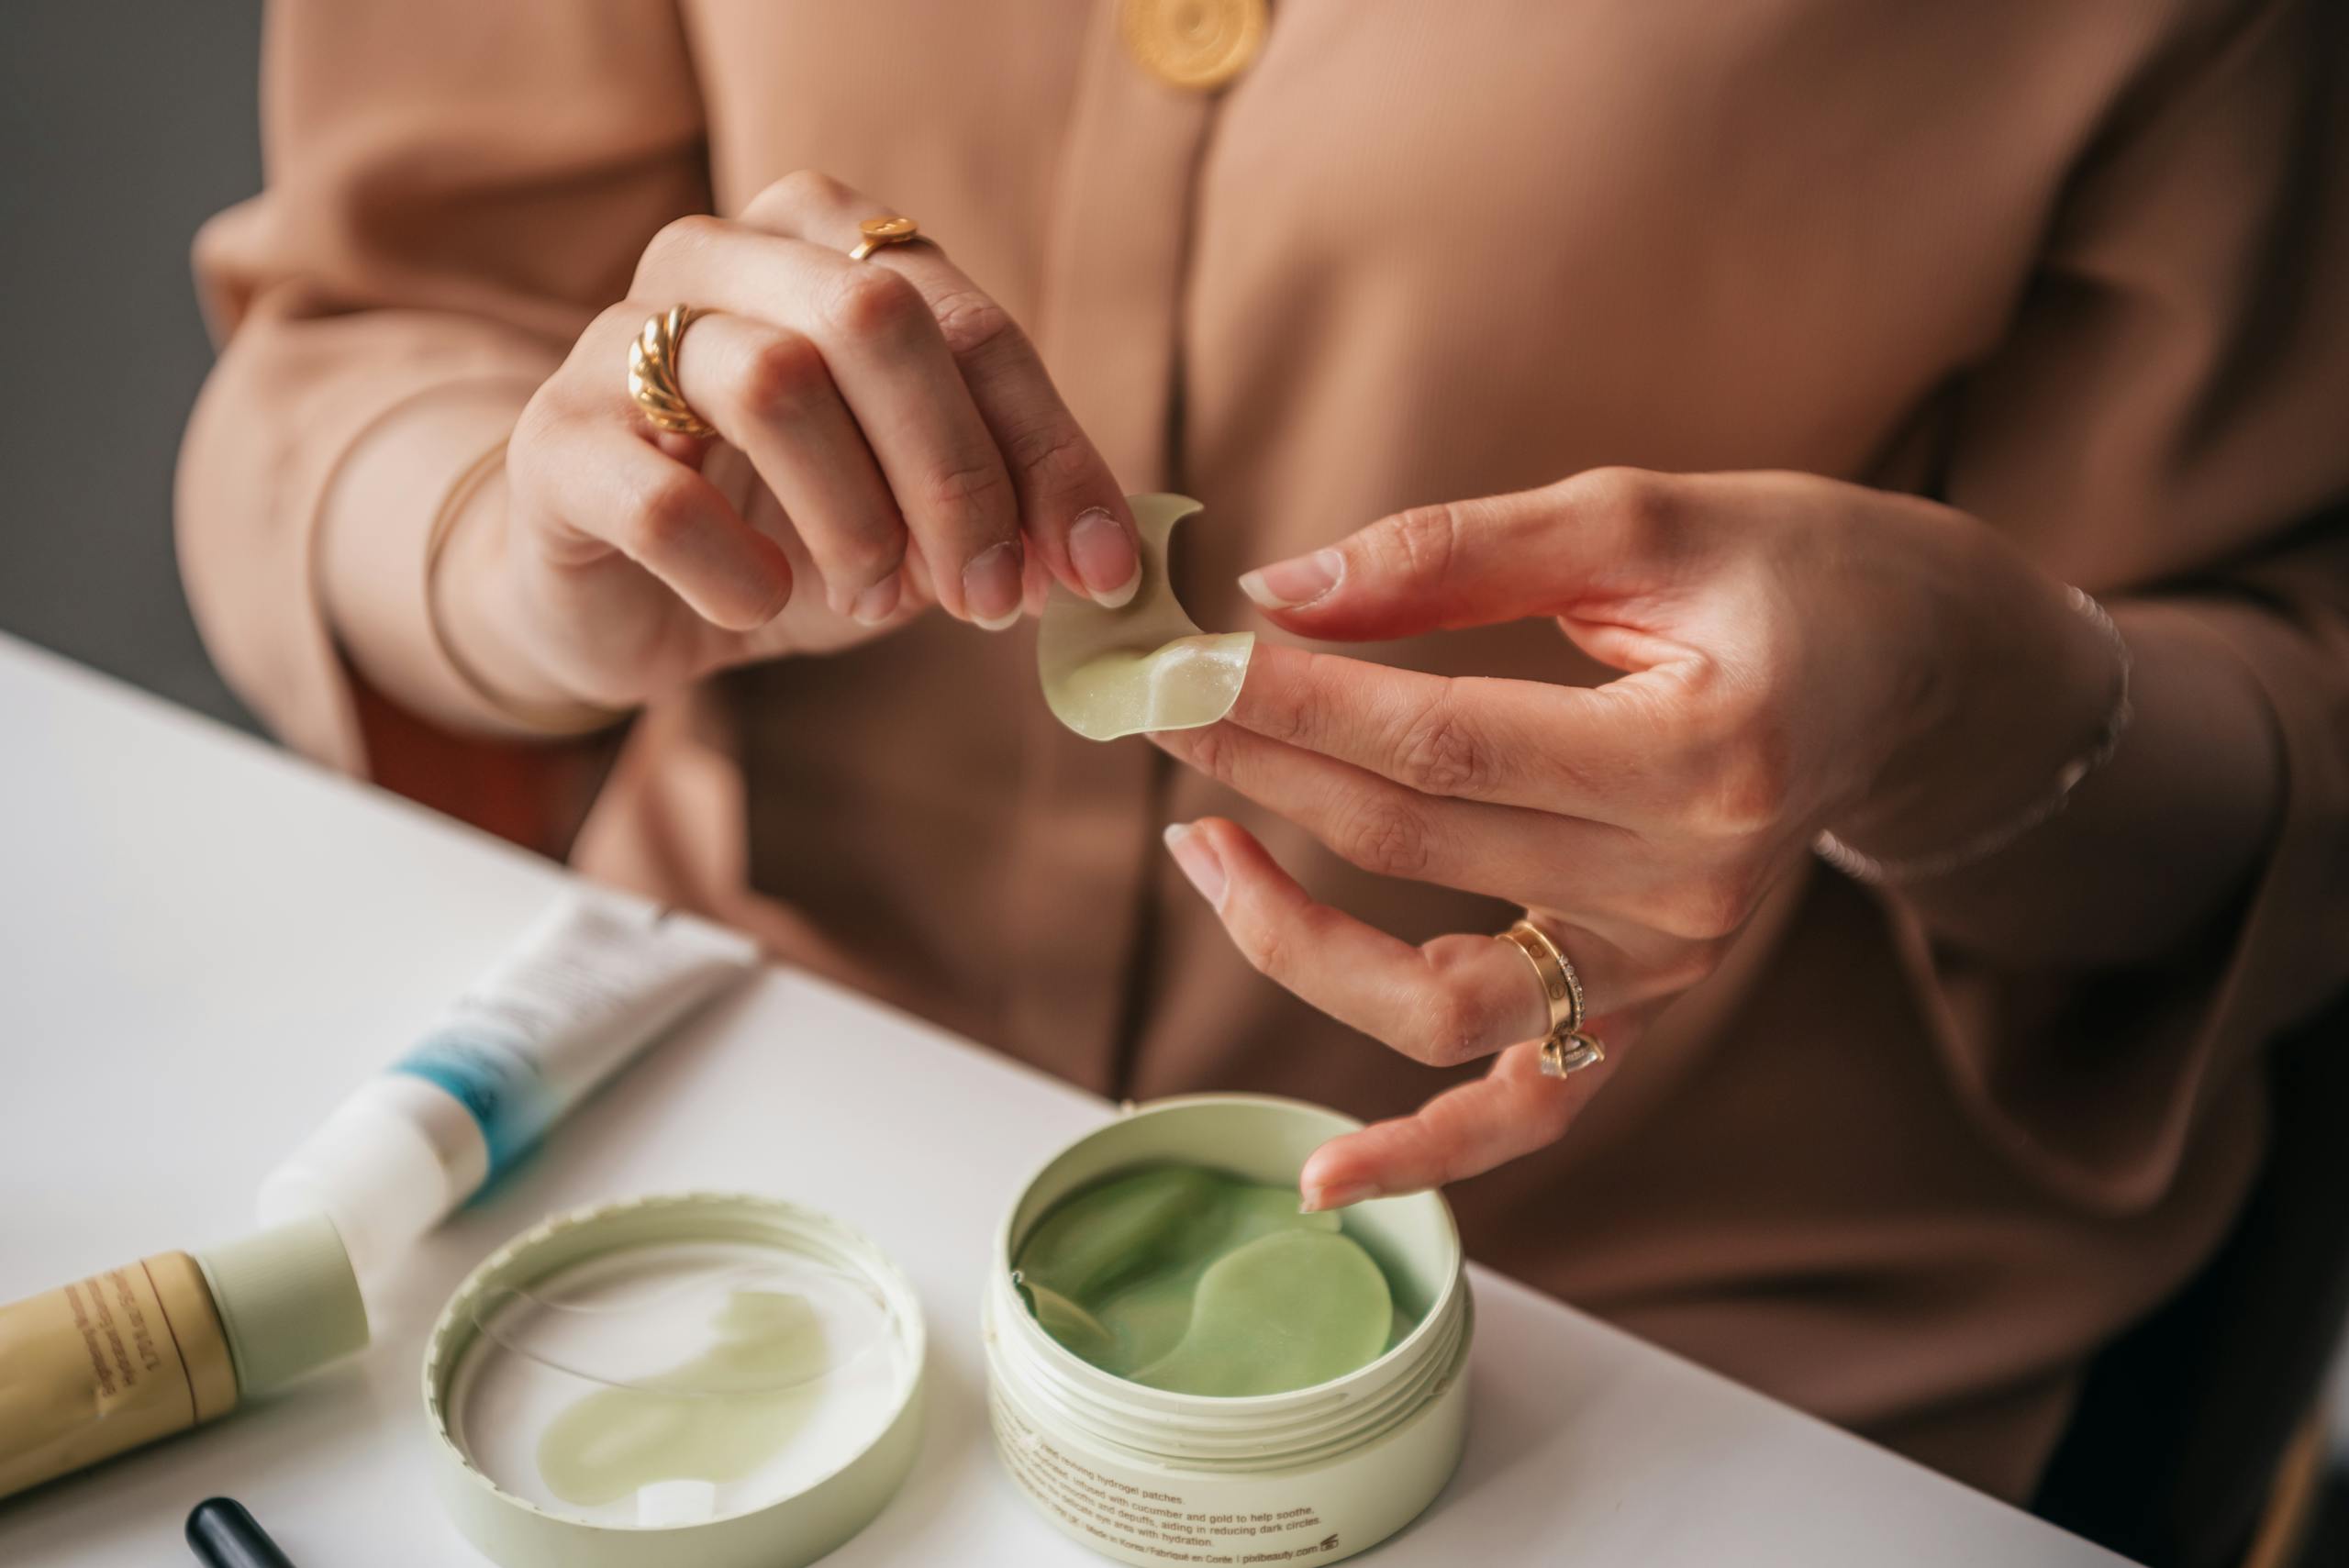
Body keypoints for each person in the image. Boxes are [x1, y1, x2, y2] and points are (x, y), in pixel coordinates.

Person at [181, 0, 2348, 1504]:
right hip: (734, 1159)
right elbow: (362, 338)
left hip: (1665, 1350)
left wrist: (1955, 690)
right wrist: (523, 549)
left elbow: (2278, 725)